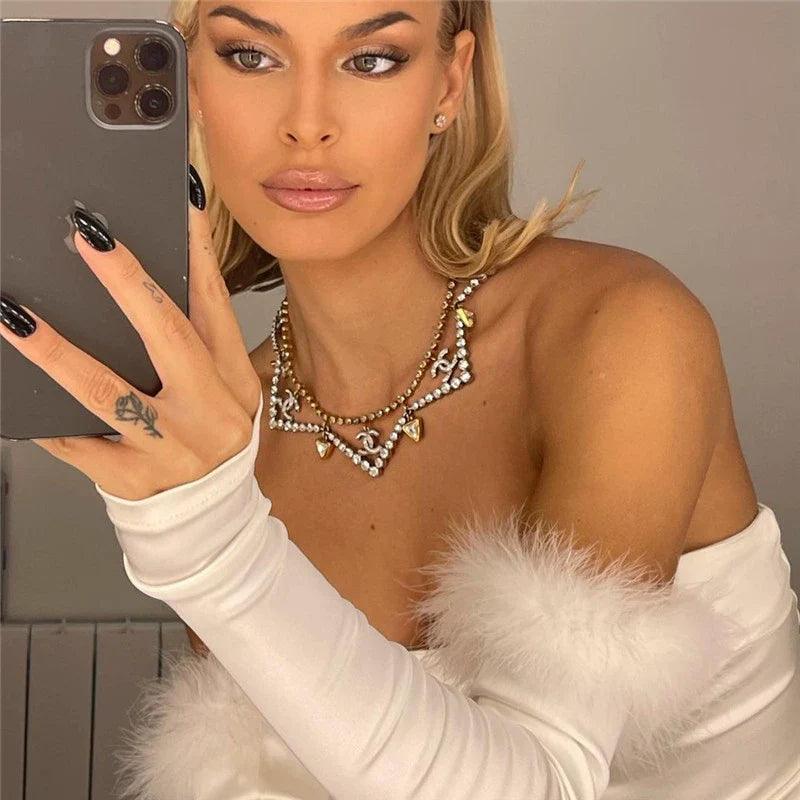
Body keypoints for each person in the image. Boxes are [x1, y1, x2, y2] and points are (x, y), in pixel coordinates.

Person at [2, 1, 795, 798]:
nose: (307, 125)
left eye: (372, 60)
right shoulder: (223, 440)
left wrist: (209, 543)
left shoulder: (622, 333)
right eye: (251, 57)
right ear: (192, 86)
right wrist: (206, 513)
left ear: (449, 84)